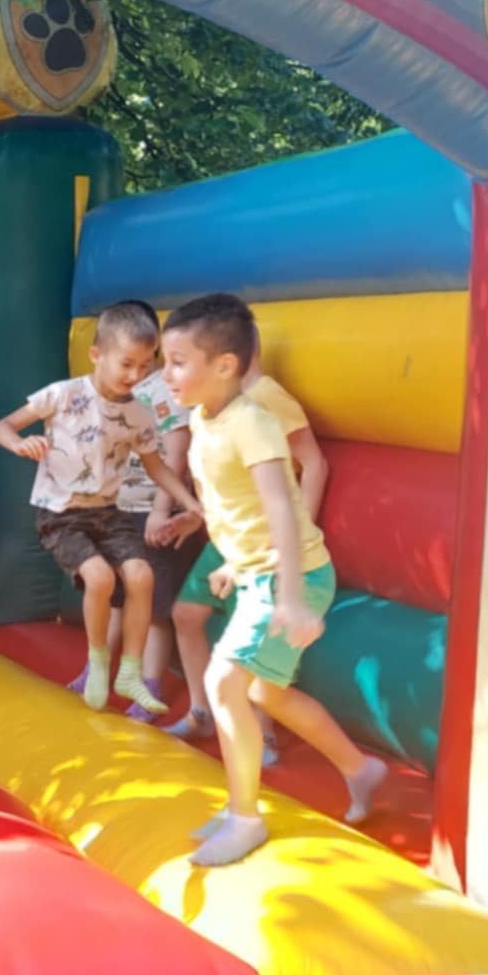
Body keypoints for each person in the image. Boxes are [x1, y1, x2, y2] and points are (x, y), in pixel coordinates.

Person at [158, 294, 385, 866]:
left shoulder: (253, 422)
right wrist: (229, 555)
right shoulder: (204, 418)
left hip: (294, 576)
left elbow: (282, 505)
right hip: (258, 572)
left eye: (178, 362)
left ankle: (245, 817)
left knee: (223, 683)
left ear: (224, 365)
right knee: (263, 692)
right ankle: (359, 769)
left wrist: (290, 597)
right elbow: (238, 506)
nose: (166, 374)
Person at [0, 300, 200, 717]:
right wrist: (19, 443)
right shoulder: (63, 395)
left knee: (141, 575)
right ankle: (98, 661)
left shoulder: (139, 412)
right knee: (101, 578)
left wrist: (193, 504)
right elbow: (3, 425)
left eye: (145, 365)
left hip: (107, 511)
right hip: (61, 514)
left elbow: (157, 466)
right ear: (96, 355)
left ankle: (131, 671)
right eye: (126, 364)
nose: (135, 375)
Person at [163, 322, 331, 759]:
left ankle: (263, 731)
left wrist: (288, 538)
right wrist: (196, 516)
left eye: (179, 361)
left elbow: (314, 464)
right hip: (228, 538)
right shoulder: (207, 410)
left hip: (263, 542)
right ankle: (202, 711)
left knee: (259, 638)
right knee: (186, 614)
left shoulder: (266, 398)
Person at [65, 331, 202, 723]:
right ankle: (98, 670)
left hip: (154, 512)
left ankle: (151, 685)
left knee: (154, 606)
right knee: (117, 596)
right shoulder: (117, 394)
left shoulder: (163, 391)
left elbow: (177, 453)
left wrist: (161, 510)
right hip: (120, 508)